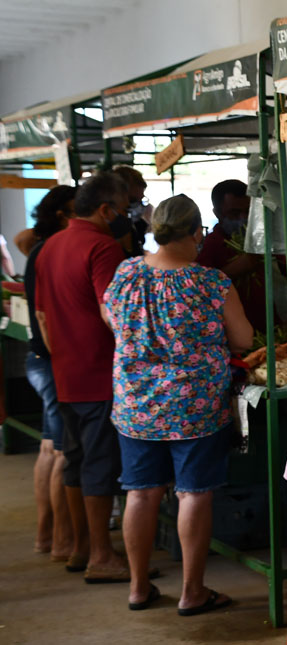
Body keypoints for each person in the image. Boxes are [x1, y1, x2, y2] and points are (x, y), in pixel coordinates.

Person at [104, 194, 252, 613]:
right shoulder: (209, 282)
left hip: (137, 404)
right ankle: (192, 592)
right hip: (195, 406)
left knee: (140, 494)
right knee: (193, 495)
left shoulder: (128, 273)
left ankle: (137, 587)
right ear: (194, 233)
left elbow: (111, 317)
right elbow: (242, 340)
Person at [34, 171, 133, 582]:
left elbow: (41, 316)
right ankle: (102, 556)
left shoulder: (49, 247)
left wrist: (62, 356)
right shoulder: (101, 246)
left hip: (65, 371)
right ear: (106, 209)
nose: (126, 217)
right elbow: (112, 313)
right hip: (98, 371)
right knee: (99, 463)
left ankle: (80, 548)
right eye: (124, 210)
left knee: (75, 459)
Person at [23, 185, 76, 560]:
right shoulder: (51, 250)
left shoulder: (39, 248)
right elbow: (44, 315)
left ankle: (46, 535)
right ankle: (62, 541)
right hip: (53, 362)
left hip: (40, 361)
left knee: (48, 447)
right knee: (62, 453)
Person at [197, 179, 270, 332]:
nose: (243, 218)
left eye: (247, 212)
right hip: (232, 331)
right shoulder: (211, 245)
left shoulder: (262, 240)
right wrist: (231, 271)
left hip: (268, 326)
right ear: (217, 213)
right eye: (234, 213)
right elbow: (201, 290)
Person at [112, 165, 151, 256]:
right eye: (132, 201)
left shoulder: (140, 225)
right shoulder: (109, 233)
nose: (138, 206)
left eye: (141, 201)